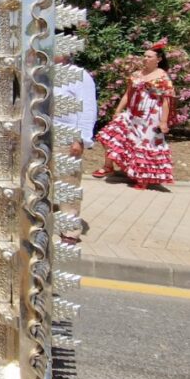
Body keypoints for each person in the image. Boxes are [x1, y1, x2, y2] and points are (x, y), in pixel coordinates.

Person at [93, 39, 176, 189]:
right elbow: (127, 94)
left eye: (149, 56)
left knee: (145, 147)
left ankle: (141, 178)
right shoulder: (137, 74)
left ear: (158, 59)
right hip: (132, 114)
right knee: (110, 134)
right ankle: (108, 166)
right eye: (144, 56)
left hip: (151, 118)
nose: (145, 58)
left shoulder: (162, 77)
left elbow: (166, 101)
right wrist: (118, 111)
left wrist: (163, 121)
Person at [53, 52, 96, 242]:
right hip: (40, 135)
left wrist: (81, 139)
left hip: (66, 136)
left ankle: (69, 230)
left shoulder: (79, 75)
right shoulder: (40, 74)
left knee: (67, 182)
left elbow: (87, 109)